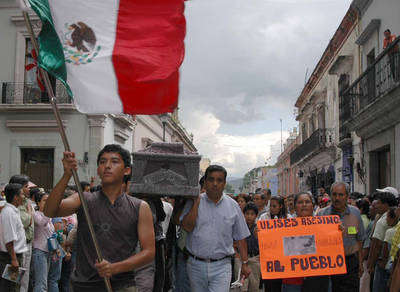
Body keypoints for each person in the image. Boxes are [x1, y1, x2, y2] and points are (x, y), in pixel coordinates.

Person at [44, 144, 155, 291]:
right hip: (83, 285)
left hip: (122, 285)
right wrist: (66, 175)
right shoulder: (83, 199)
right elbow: (50, 211)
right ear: (98, 170)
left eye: (114, 161)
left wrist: (115, 268)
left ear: (127, 170)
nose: (107, 166)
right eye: (103, 162)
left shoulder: (140, 207)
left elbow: (149, 252)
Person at [180, 165, 251, 292]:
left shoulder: (233, 206)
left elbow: (241, 237)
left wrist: (245, 263)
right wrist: (196, 202)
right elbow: (186, 227)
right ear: (205, 182)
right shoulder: (193, 202)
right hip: (195, 265)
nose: (215, 184)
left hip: (222, 266)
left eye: (219, 180)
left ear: (224, 183)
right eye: (211, 179)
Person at [317, 181, 366, 292]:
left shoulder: (355, 213)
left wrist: (360, 263)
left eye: (341, 195)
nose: (337, 198)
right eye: (334, 194)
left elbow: (360, 240)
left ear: (347, 196)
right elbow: (317, 240)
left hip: (350, 264)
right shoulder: (322, 215)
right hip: (329, 264)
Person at [281, 192, 329, 292]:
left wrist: (336, 231)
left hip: (317, 278)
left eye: (307, 202)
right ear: (294, 206)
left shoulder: (325, 226)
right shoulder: (284, 227)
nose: (304, 205)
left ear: (313, 205)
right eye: (300, 202)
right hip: (292, 279)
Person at [367, 190, 397, 292]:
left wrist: (370, 264)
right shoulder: (392, 218)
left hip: (382, 263)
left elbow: (376, 244)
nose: (376, 206)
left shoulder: (383, 221)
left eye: (379, 203)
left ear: (386, 205)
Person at [0, 183, 28, 291]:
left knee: (14, 287)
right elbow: (9, 239)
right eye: (21, 194)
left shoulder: (13, 211)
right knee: (10, 288)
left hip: (14, 255)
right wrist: (13, 259)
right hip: (9, 256)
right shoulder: (8, 213)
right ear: (16, 197)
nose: (24, 196)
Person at [9, 175, 34, 292]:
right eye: (25, 187)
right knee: (14, 281)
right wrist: (30, 210)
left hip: (26, 244)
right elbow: (27, 221)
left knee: (24, 278)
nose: (28, 189)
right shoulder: (12, 207)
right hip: (16, 249)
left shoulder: (24, 202)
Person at [32, 191, 54, 292]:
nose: (47, 203)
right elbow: (41, 223)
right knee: (41, 283)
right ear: (38, 202)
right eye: (45, 201)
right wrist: (49, 212)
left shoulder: (48, 216)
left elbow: (51, 234)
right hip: (39, 251)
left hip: (48, 251)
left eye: (49, 201)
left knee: (44, 282)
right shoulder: (36, 214)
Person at [240, 203, 261, 292]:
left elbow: (264, 245)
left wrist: (258, 237)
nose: (249, 216)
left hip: (255, 258)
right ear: (243, 214)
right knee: (242, 285)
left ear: (256, 216)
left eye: (252, 214)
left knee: (254, 285)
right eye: (247, 214)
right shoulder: (240, 227)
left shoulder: (259, 228)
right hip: (242, 258)